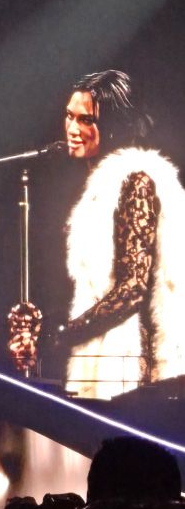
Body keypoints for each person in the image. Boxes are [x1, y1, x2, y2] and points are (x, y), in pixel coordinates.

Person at [9, 69, 185, 399]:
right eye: (69, 117)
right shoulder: (101, 191)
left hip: (141, 371)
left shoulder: (138, 180)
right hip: (109, 360)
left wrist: (57, 336)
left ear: (115, 125)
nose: (73, 130)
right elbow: (93, 293)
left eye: (86, 120)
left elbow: (132, 289)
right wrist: (40, 330)